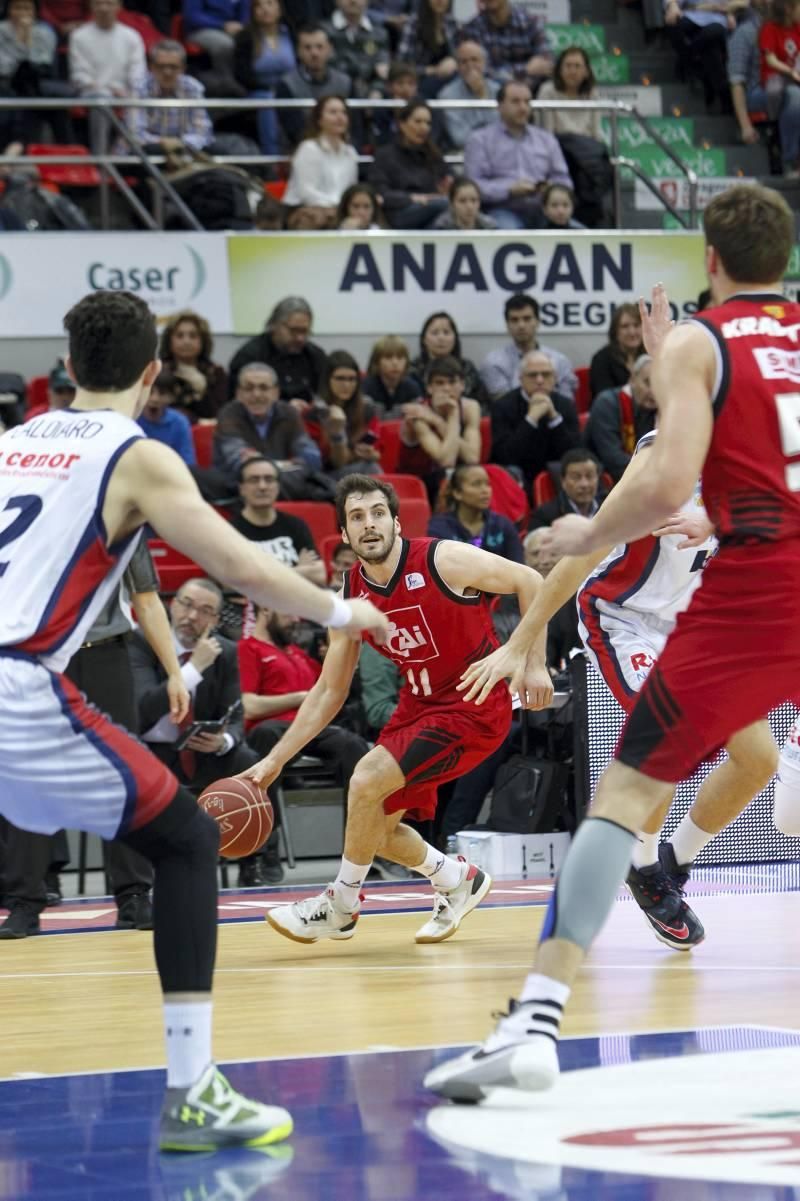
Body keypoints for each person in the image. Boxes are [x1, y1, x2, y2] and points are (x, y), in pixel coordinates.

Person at [424, 182, 800, 1103]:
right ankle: (666, 867)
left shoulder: (696, 345)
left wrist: (584, 530)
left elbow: (670, 475)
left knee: (622, 797)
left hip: (751, 590)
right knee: (765, 783)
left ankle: (537, 1019)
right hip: (672, 607)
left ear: (710, 259)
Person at [0, 288, 388, 1148]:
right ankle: (192, 1090)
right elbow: (239, 564)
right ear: (151, 374)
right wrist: (342, 612)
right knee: (186, 839)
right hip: (18, 686)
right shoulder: (135, 453)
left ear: (66, 369)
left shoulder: (12, 442)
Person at [242, 475, 553, 945]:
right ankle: (455, 878)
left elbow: (531, 580)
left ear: (396, 522)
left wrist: (531, 662)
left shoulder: (443, 559)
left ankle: (340, 906)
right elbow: (329, 690)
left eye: (377, 513)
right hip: (419, 707)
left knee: (365, 779)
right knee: (375, 832)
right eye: (356, 517)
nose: (369, 524)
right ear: (344, 535)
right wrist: (274, 760)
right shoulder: (351, 595)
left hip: (473, 704)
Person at [0, 538, 184, 938]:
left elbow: (147, 599)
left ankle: (134, 894)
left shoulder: (123, 517)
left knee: (120, 776)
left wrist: (174, 671)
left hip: (106, 652)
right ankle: (24, 902)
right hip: (38, 654)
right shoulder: (34, 509)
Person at [238, 606, 369, 828]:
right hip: (272, 729)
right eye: (288, 612)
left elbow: (331, 691)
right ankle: (264, 851)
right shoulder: (247, 648)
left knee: (354, 746)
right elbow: (249, 706)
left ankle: (362, 845)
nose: (295, 619)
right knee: (266, 734)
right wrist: (301, 698)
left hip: (309, 728)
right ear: (267, 610)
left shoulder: (298, 654)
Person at [464, 80, 572, 230]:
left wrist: (550, 189)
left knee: (584, 235)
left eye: (527, 102)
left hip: (545, 210)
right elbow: (473, 186)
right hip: (501, 210)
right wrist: (508, 190)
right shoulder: (480, 140)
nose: (523, 108)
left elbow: (564, 180)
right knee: (511, 233)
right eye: (515, 102)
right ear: (500, 106)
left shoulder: (547, 139)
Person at [212, 362, 322, 495]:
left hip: (281, 481)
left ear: (276, 392)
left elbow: (312, 458)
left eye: (263, 388)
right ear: (239, 393)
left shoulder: (288, 413)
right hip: (238, 486)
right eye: (249, 388)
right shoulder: (229, 413)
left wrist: (276, 468)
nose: (256, 394)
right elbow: (241, 462)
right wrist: (287, 465)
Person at [490, 349, 581, 493]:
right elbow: (505, 456)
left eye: (546, 375)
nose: (540, 380)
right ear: (521, 379)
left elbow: (575, 453)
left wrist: (554, 418)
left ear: (554, 378)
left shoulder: (565, 405)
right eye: (533, 375)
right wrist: (531, 419)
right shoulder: (503, 406)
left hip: (558, 474)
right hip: (519, 474)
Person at [396, 356, 482, 503]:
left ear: (462, 385)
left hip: (457, 477)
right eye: (439, 383)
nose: (447, 388)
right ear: (429, 388)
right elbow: (446, 460)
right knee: (446, 476)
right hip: (419, 480)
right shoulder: (417, 413)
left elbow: (472, 457)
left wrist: (440, 420)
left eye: (452, 382)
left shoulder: (470, 407)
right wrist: (453, 417)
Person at [231, 454, 326, 584]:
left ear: (278, 486)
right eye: (254, 480)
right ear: (241, 488)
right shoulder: (229, 531)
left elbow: (319, 575)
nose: (262, 486)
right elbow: (233, 583)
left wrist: (260, 576)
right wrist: (298, 570)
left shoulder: (296, 525)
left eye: (269, 479)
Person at [368, 99, 450, 229]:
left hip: (432, 210)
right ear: (402, 124)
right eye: (418, 122)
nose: (424, 127)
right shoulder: (384, 155)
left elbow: (445, 183)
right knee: (445, 206)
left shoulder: (434, 154)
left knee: (453, 209)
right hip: (399, 212)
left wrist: (448, 187)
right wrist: (412, 198)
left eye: (428, 123)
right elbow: (380, 193)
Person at [480, 293, 577, 403]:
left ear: (537, 322)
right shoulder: (493, 363)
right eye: (514, 320)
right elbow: (505, 405)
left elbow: (567, 404)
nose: (521, 325)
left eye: (527, 319)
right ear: (507, 325)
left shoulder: (560, 361)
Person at [228, 296, 328, 403]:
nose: (300, 338)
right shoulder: (250, 356)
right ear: (275, 325)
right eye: (294, 330)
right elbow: (238, 404)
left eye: (304, 331)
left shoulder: (315, 356)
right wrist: (285, 410)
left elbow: (323, 396)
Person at [124, 39, 214, 154]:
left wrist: (178, 144)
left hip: (182, 152)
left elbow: (203, 133)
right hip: (143, 155)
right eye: (161, 66)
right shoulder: (137, 88)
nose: (167, 72)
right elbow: (135, 134)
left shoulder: (193, 87)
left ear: (183, 68)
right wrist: (166, 143)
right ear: (151, 67)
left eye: (173, 67)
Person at [283, 94, 358, 229]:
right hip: (308, 211)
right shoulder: (309, 148)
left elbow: (351, 189)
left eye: (343, 113)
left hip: (339, 212)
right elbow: (305, 192)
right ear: (319, 120)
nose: (340, 117)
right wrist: (337, 207)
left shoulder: (351, 152)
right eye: (333, 112)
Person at [232, 0, 296, 157]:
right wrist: (268, 89)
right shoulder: (245, 37)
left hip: (290, 89)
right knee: (268, 101)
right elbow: (241, 74)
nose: (264, 9)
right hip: (257, 91)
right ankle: (271, 158)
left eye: (269, 3)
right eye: (258, 6)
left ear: (279, 9)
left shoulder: (290, 33)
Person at [275, 23, 352, 149]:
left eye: (319, 47)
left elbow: (355, 128)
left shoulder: (345, 82)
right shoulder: (286, 85)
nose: (314, 53)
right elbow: (293, 131)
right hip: (302, 152)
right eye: (307, 48)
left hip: (341, 151)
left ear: (330, 49)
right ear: (298, 51)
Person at [428, 463, 523, 562]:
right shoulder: (439, 528)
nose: (485, 490)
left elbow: (519, 565)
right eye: (476, 484)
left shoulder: (503, 525)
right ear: (457, 493)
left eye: (488, 484)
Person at [584, 353, 657, 481]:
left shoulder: (664, 408)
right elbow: (613, 458)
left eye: (660, 384)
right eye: (647, 382)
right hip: (603, 480)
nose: (653, 391)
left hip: (644, 475)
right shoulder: (607, 403)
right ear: (632, 379)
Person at [315, 349, 382, 476]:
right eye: (340, 379)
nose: (346, 385)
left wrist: (371, 454)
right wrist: (337, 432)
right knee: (370, 469)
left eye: (352, 379)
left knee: (371, 466)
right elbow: (335, 462)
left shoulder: (367, 409)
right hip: (325, 476)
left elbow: (377, 452)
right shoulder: (315, 412)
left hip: (357, 469)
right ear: (327, 380)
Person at [460, 0, 553, 89]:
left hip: (533, 89)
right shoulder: (473, 28)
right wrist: (525, 70)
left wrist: (514, 79)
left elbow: (546, 61)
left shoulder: (530, 21)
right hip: (493, 93)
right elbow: (482, 70)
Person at [409, 309, 489, 410]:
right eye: (434, 333)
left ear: (455, 338)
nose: (441, 338)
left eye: (446, 332)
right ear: (424, 339)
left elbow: (483, 405)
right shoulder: (413, 370)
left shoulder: (466, 367)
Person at [158, 309, 228, 423]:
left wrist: (201, 388)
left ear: (203, 341)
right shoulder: (158, 370)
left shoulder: (216, 372)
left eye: (193, 336)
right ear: (169, 340)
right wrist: (195, 420)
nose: (186, 341)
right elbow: (155, 411)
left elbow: (219, 415)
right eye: (179, 336)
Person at [664, 0, 732, 113]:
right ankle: (721, 92)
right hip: (692, 14)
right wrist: (672, 5)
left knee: (711, 34)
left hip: (719, 18)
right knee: (673, 24)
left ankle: (684, 62)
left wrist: (731, 12)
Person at [759, 0, 800, 170]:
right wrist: (790, 72)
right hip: (775, 78)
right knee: (793, 95)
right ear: (788, 9)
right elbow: (771, 60)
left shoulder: (798, 28)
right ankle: (789, 157)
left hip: (796, 76)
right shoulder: (769, 28)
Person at [438, 39, 499, 150]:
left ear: (484, 63)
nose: (470, 65)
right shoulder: (447, 95)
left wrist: (482, 95)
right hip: (465, 154)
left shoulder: (498, 90)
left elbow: (505, 130)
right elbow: (459, 138)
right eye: (464, 62)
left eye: (474, 60)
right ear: (458, 66)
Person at [324, 0, 389, 98]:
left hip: (368, 95)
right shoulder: (323, 31)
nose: (353, 1)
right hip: (332, 92)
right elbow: (329, 66)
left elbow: (383, 72)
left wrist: (377, 89)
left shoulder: (380, 34)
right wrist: (371, 70)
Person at [528, 447, 603, 528]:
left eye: (589, 476)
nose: (584, 484)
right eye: (576, 477)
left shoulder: (609, 508)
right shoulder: (544, 516)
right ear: (563, 481)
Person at [396, 0, 457, 96]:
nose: (440, 1)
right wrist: (430, 70)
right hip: (421, 81)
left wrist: (454, 61)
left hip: (450, 81)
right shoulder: (414, 23)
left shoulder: (452, 23)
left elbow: (462, 56)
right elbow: (401, 65)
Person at [136, 371, 196, 466]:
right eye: (150, 392)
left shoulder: (179, 422)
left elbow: (188, 462)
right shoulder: (131, 420)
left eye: (162, 393)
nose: (154, 399)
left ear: (172, 397)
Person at [589, 302, 645, 400]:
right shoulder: (601, 359)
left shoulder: (650, 356)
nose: (632, 332)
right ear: (615, 331)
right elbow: (604, 398)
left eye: (636, 325)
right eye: (625, 326)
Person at [182, 0, 247, 77]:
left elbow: (245, 16)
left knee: (249, 39)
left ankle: (247, 79)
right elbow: (192, 16)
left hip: (232, 30)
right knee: (225, 44)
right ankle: (225, 79)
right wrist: (223, 25)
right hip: (200, 30)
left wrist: (240, 26)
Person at [362, 335, 422, 412]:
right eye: (388, 357)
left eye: (400, 357)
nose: (395, 363)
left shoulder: (412, 387)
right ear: (377, 361)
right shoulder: (366, 387)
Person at [432, 175, 498, 231]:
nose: (469, 207)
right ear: (452, 203)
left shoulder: (491, 228)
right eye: (462, 201)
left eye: (474, 200)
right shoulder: (441, 228)